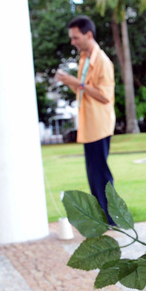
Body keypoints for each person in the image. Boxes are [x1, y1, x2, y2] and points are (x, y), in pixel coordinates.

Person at [55, 16, 116, 223]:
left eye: (76, 37)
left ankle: (112, 219)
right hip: (88, 125)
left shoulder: (103, 62)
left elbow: (104, 96)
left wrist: (77, 83)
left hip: (99, 125)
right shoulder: (84, 59)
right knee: (93, 175)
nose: (72, 42)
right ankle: (101, 218)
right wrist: (69, 82)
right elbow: (83, 91)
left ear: (88, 35)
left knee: (101, 174)